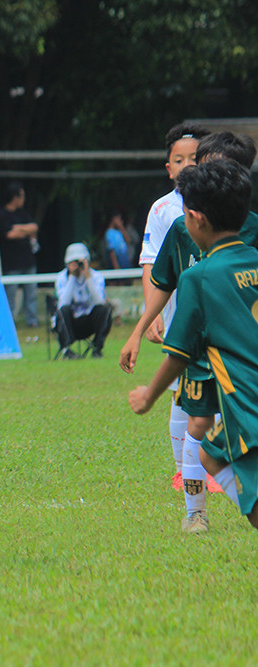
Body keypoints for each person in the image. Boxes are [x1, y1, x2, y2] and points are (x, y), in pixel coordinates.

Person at [120, 132, 257, 531]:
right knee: (202, 435)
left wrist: (148, 395)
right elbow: (161, 281)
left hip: (235, 372)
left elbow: (177, 354)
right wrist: (139, 329)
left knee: (216, 449)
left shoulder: (203, 273)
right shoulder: (183, 232)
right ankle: (195, 512)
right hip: (214, 356)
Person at [136, 121, 210, 491]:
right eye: (178, 160)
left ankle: (211, 464)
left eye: (194, 158)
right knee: (182, 388)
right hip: (180, 313)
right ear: (169, 169)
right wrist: (152, 313)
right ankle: (184, 469)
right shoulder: (163, 209)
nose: (186, 165)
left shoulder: (218, 202)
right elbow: (151, 262)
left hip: (216, 312)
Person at [53, 242, 111, 359]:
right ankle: (66, 350)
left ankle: (97, 348)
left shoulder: (96, 277)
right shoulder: (62, 278)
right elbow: (63, 303)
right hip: (70, 323)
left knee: (105, 309)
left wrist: (87, 277)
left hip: (89, 321)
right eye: (73, 263)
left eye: (80, 262)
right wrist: (72, 277)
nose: (77, 266)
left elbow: (99, 301)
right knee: (63, 310)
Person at [0, 181, 40, 327]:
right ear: (15, 197)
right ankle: (10, 322)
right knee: (11, 293)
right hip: (12, 262)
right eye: (21, 196)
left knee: (31, 292)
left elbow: (34, 227)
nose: (23, 199)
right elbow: (10, 235)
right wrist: (25, 231)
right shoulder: (3, 214)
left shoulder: (23, 213)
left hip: (28, 260)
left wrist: (19, 228)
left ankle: (32, 320)